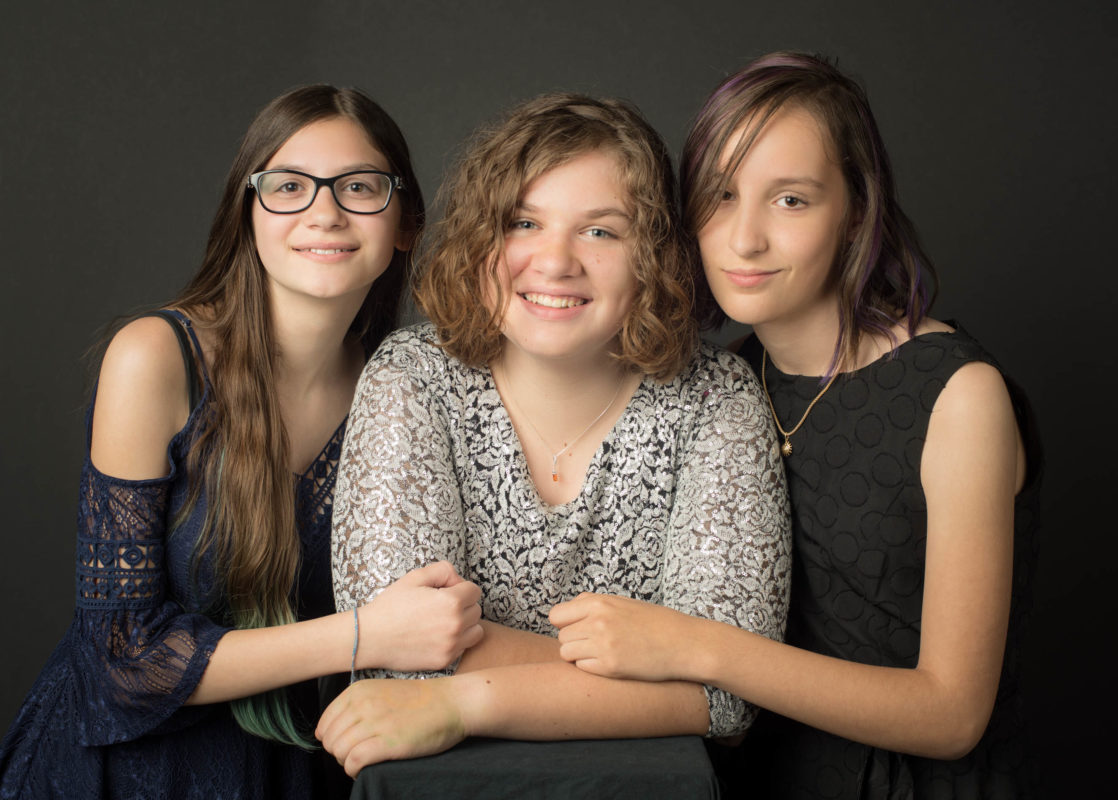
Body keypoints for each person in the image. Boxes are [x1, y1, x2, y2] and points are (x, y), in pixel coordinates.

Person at [550, 52, 1042, 798]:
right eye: (720, 195)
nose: (744, 239)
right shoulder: (723, 383)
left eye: (791, 201)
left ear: (855, 212)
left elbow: (952, 713)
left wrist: (697, 647)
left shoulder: (958, 396)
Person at [0, 85, 484, 800]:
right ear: (247, 212)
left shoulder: (402, 390)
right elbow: (120, 661)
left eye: (359, 187)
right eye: (288, 186)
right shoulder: (156, 357)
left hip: (304, 769)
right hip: (126, 774)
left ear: (405, 223)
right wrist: (366, 635)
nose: (324, 211)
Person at [319, 92, 792, 775]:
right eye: (523, 223)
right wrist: (661, 667)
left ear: (652, 256)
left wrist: (466, 700)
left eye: (600, 231)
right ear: (483, 239)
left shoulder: (716, 399)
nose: (554, 261)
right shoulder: (413, 376)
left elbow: (729, 699)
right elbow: (398, 659)